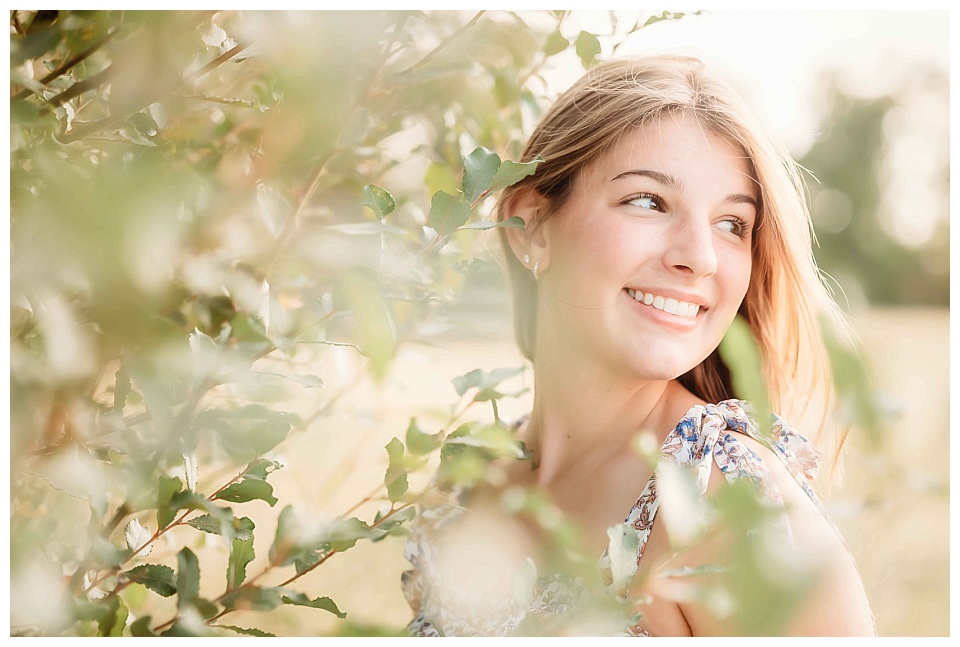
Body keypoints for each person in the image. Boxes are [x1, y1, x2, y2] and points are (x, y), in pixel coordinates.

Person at [401, 54, 876, 636]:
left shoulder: (734, 509)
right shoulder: (464, 486)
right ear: (533, 225)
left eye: (733, 224)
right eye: (649, 201)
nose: (698, 256)